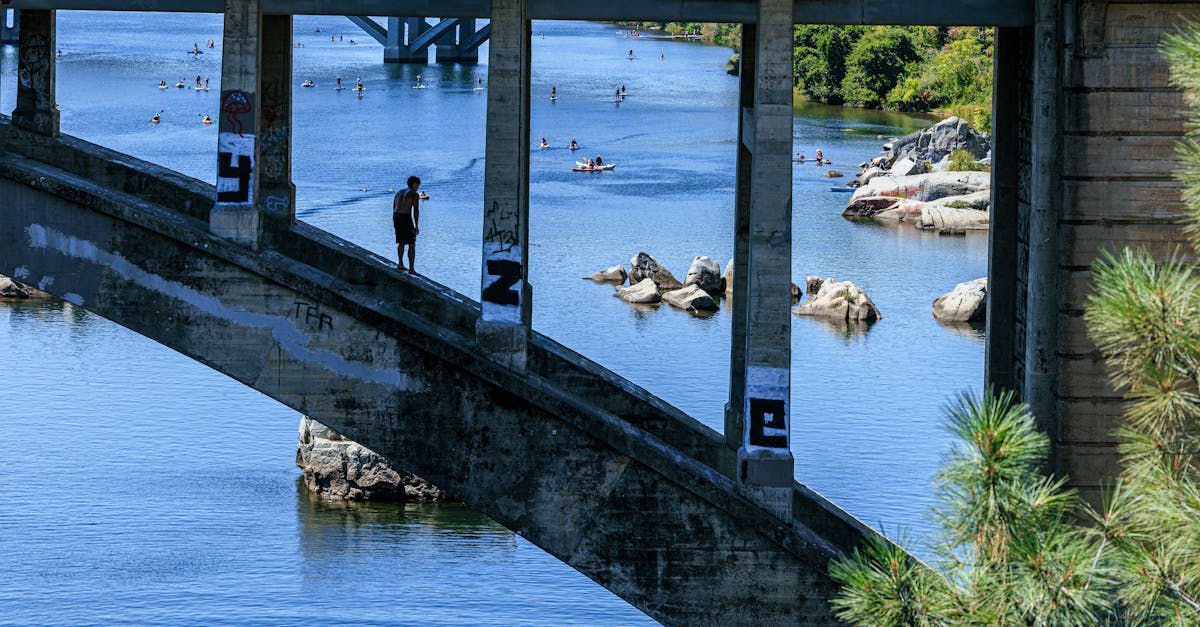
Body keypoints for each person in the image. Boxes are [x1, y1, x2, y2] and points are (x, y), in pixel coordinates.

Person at [393, 176, 422, 273]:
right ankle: (411, 269)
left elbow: (394, 207)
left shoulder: (399, 192)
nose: (418, 187)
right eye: (418, 185)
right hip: (405, 217)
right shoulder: (414, 194)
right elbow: (416, 210)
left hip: (396, 216)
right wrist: (416, 226)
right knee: (412, 243)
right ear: (414, 184)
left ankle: (400, 264)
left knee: (401, 241)